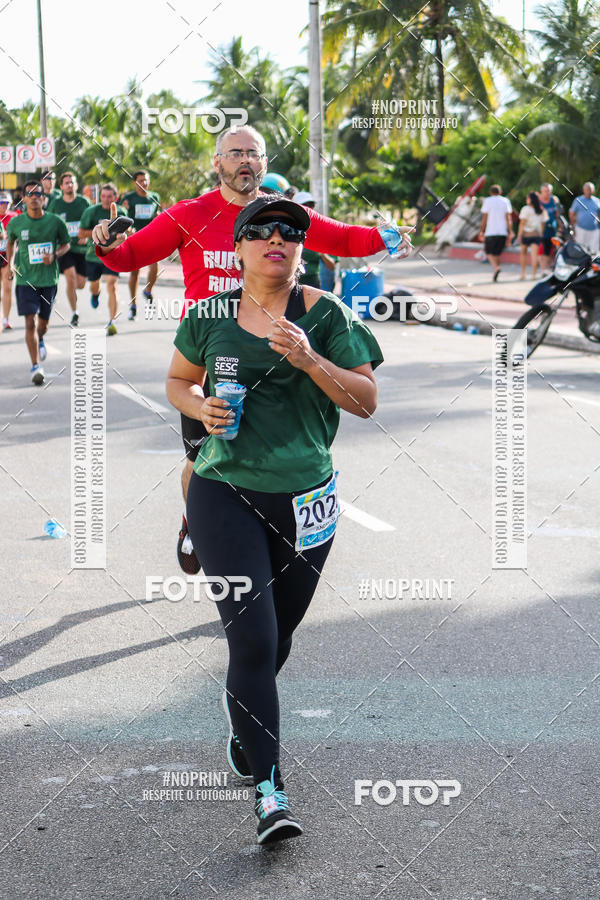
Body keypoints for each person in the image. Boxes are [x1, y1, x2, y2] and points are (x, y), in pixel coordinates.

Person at [91, 124, 411, 574]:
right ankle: (196, 519)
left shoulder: (283, 217)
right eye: (235, 152)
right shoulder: (189, 214)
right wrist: (105, 244)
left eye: (253, 154)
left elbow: (340, 238)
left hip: (276, 353)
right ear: (217, 163)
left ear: (264, 164)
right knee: (200, 459)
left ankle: (266, 550)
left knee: (275, 462)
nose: (245, 160)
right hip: (209, 358)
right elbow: (130, 256)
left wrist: (384, 237)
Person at [165, 195, 383, 844]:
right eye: (260, 231)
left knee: (277, 638)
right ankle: (269, 792)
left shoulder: (330, 316)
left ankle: (243, 721)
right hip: (223, 491)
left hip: (307, 501)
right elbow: (179, 380)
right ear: (238, 248)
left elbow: (367, 402)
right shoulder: (208, 316)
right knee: (253, 641)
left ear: (302, 247)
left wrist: (311, 359)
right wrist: (198, 408)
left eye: (291, 230)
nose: (276, 239)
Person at [5, 180, 70, 384]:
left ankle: (41, 338)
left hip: (49, 279)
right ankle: (35, 366)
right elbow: (10, 241)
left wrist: (55, 255)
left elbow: (66, 244)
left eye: (37, 194)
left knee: (43, 325)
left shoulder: (56, 222)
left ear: (44, 198)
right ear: (23, 199)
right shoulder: (16, 223)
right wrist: (11, 264)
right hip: (26, 281)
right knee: (30, 322)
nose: (34, 197)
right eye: (29, 194)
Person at [79, 183, 127, 335]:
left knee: (112, 285)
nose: (106, 200)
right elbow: (81, 233)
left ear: (116, 197)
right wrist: (98, 232)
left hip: (114, 255)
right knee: (94, 285)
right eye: (103, 196)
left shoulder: (122, 212)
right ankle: (95, 294)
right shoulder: (91, 211)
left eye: (110, 196)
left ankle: (112, 321)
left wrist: (129, 232)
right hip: (94, 256)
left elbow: (129, 233)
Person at [47, 172, 91, 327]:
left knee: (80, 284)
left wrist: (86, 235)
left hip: (81, 249)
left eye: (72, 182)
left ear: (76, 185)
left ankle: (75, 297)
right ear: (61, 186)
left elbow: (91, 222)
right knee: (70, 277)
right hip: (65, 247)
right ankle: (74, 312)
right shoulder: (56, 204)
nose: (69, 185)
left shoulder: (84, 202)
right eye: (66, 183)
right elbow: (49, 223)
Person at [121, 170, 161, 320]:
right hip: (135, 239)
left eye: (146, 180)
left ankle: (148, 290)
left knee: (155, 267)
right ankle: (133, 305)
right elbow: (121, 214)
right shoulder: (129, 198)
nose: (144, 183)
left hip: (150, 237)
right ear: (135, 183)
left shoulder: (154, 197)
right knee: (135, 273)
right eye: (140, 180)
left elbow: (156, 214)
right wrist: (127, 229)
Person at [293, 191, 336, 289]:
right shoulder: (287, 229)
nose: (309, 208)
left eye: (311, 205)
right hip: (292, 283)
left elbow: (332, 266)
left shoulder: (321, 232)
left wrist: (322, 253)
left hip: (314, 285)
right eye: (304, 205)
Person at [478, 184, 513, 282]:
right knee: (497, 253)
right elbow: (508, 218)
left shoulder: (488, 201)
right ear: (500, 192)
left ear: (491, 192)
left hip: (490, 231)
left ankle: (496, 267)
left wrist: (481, 230)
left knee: (488, 252)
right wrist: (510, 231)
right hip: (502, 231)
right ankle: (496, 270)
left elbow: (484, 217)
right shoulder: (505, 201)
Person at [517, 192, 548, 280]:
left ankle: (523, 274)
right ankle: (533, 275)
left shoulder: (525, 209)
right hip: (536, 235)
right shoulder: (541, 210)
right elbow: (543, 224)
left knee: (523, 254)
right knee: (534, 256)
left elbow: (522, 223)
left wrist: (519, 235)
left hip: (526, 234)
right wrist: (541, 233)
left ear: (531, 199)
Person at [0, 193, 18, 331]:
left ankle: (6, 319)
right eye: (1, 203)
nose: (3, 205)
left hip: (8, 257)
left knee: (7, 288)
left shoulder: (14, 217)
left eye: (6, 202)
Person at [569, 182, 600, 256]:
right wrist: (572, 227)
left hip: (594, 230)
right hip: (580, 229)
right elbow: (571, 213)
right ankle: (582, 267)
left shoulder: (597, 201)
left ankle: (591, 267)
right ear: (584, 190)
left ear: (593, 191)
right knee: (580, 251)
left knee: (594, 252)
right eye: (587, 189)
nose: (589, 191)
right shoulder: (578, 200)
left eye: (591, 190)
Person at [539, 183, 562, 274]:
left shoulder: (555, 200)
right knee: (543, 251)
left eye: (549, 191)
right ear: (542, 191)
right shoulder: (538, 200)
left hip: (552, 230)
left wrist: (561, 227)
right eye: (545, 191)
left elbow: (559, 215)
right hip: (540, 230)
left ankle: (546, 270)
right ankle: (543, 270)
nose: (547, 193)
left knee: (551, 251)